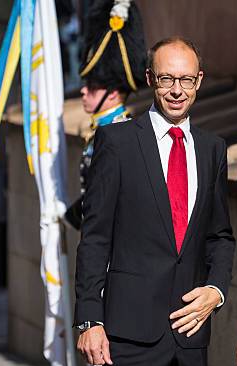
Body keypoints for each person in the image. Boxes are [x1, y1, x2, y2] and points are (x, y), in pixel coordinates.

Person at [74, 36, 235, 366]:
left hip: (190, 335)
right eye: (167, 79)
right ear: (150, 79)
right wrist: (88, 320)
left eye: (185, 80)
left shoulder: (213, 149)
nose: (177, 90)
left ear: (199, 82)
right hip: (129, 338)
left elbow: (220, 236)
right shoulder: (117, 142)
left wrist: (217, 289)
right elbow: (95, 237)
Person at [64, 0, 146, 231]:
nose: (83, 90)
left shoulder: (123, 134)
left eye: (92, 86)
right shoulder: (104, 131)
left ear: (112, 93)